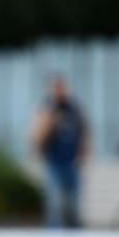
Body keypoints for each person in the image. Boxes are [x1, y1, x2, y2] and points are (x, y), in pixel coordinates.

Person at [30, 76, 89, 229]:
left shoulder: (74, 109)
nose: (59, 92)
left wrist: (83, 154)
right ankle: (54, 233)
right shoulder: (47, 108)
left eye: (61, 88)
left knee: (73, 203)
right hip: (54, 162)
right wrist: (50, 120)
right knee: (54, 202)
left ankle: (74, 233)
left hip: (72, 162)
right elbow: (38, 137)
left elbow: (83, 132)